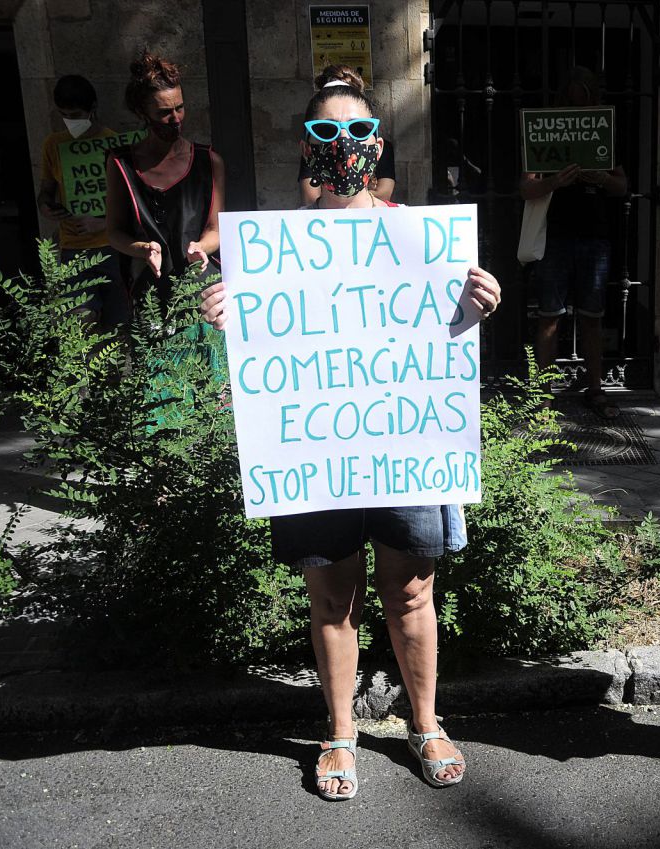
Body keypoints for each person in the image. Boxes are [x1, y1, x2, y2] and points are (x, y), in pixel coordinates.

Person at [199, 77, 502, 802]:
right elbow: (274, 350)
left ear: (377, 145)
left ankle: (425, 722)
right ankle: (341, 732)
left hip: (406, 445)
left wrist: (476, 305)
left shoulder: (422, 239)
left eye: (358, 134)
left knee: (412, 590)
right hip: (317, 454)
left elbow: (440, 336)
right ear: (309, 148)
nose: (345, 148)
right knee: (331, 597)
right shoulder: (277, 252)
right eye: (327, 136)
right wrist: (229, 313)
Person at [519, 66, 627, 418]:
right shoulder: (543, 134)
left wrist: (600, 177)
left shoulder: (604, 132)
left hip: (594, 237)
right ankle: (543, 395)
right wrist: (555, 182)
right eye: (573, 96)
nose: (579, 102)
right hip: (554, 237)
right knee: (549, 317)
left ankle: (595, 389)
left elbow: (622, 186)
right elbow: (526, 188)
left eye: (585, 96)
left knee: (592, 317)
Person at [105, 50, 225, 321]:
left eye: (179, 107)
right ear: (141, 112)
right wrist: (141, 249)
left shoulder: (209, 161)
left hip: (202, 291)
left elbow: (216, 229)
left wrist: (200, 247)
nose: (176, 118)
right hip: (149, 292)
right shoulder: (121, 165)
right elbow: (113, 232)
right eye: (164, 112)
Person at [37, 74, 124, 324]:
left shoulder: (113, 144)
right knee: (77, 323)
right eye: (65, 115)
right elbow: (46, 188)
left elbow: (132, 201)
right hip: (73, 248)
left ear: (92, 109)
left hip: (113, 247)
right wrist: (45, 206)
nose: (70, 122)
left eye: (75, 115)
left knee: (118, 325)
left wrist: (103, 222)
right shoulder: (53, 144)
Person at [298, 65, 396, 205]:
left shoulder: (413, 224)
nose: (344, 139)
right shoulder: (285, 226)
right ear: (306, 151)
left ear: (378, 148)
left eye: (359, 129)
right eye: (326, 130)